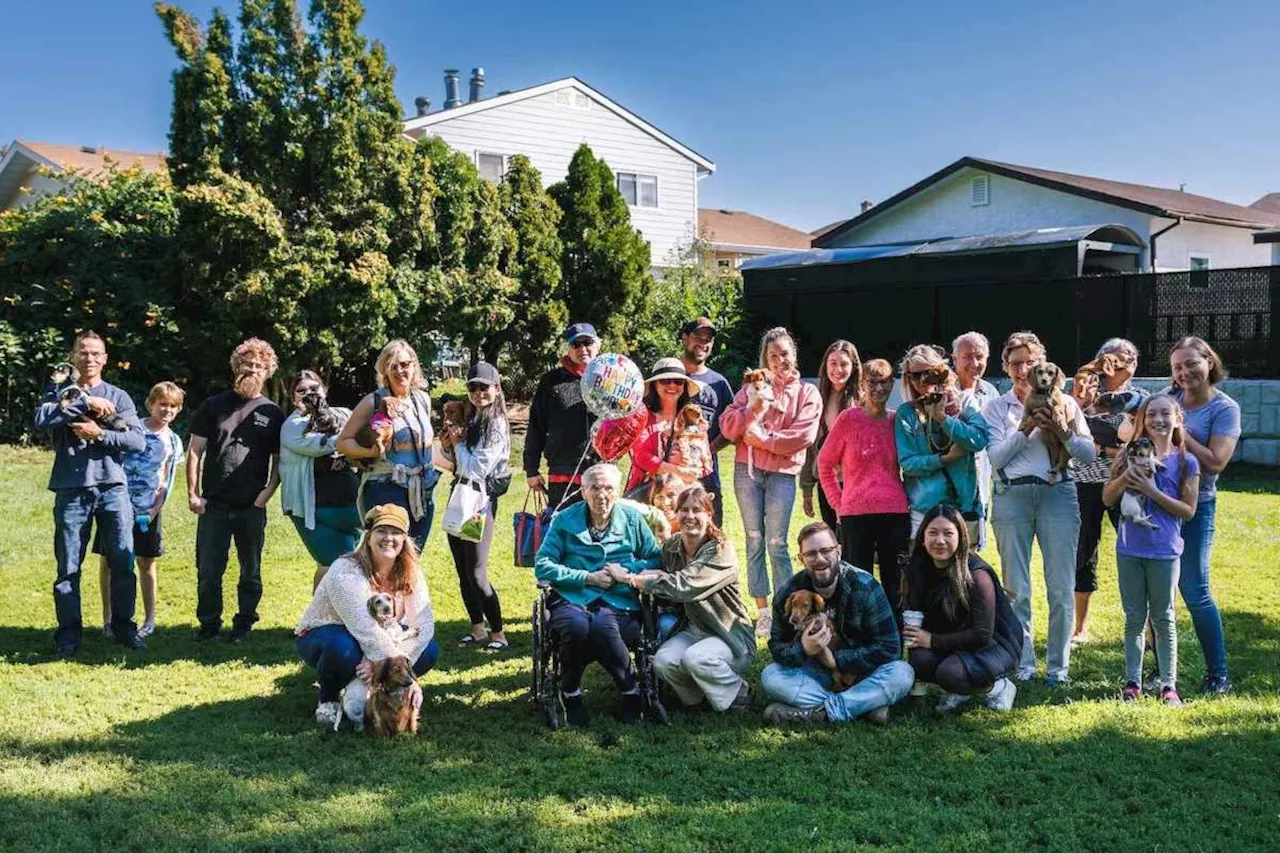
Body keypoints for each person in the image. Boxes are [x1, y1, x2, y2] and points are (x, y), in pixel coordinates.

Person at [983, 332, 1095, 686]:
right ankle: (1025, 664)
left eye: (1029, 362)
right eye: (1015, 363)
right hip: (1011, 495)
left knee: (1061, 586)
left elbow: (1088, 455)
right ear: (1006, 367)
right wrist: (1025, 427)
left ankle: (1058, 670)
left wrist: (1062, 432)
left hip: (1057, 493)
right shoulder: (997, 408)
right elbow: (997, 458)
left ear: (1044, 365)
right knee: (1017, 588)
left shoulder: (1068, 403)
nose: (1023, 369)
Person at [35, 330, 147, 655]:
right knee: (68, 566)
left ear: (105, 359)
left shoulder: (119, 396)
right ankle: (69, 635)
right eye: (83, 352)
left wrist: (99, 434)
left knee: (123, 560)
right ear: (73, 356)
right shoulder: (59, 392)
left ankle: (125, 628)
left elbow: (137, 441)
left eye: (96, 353)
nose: (90, 359)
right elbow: (42, 418)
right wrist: (84, 402)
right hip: (71, 489)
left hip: (113, 488)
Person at [534, 463, 663, 727]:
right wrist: (586, 577)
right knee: (575, 625)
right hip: (573, 597)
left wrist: (624, 572)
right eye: (594, 487)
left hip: (618, 599)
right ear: (583, 491)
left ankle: (629, 691)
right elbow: (543, 564)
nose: (601, 494)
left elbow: (654, 558)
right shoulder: (565, 520)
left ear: (617, 492)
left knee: (604, 626)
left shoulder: (632, 519)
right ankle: (571, 693)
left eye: (608, 488)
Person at [295, 503, 438, 729]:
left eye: (396, 532)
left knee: (429, 649)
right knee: (344, 648)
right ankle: (329, 699)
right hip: (329, 632)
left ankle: (386, 691)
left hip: (381, 638)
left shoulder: (412, 571)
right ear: (368, 537)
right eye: (381, 531)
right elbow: (365, 629)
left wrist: (400, 669)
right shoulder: (345, 570)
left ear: (404, 540)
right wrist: (379, 663)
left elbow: (424, 624)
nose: (388, 538)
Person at [614, 484, 755, 712]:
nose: (690, 516)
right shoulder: (672, 545)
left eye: (696, 510)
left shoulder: (721, 550)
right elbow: (654, 566)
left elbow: (683, 585)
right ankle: (697, 700)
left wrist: (631, 579)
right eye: (684, 510)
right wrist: (631, 569)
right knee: (663, 661)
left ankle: (738, 692)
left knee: (695, 658)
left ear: (709, 515)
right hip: (693, 629)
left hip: (729, 635)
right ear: (676, 514)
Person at [719, 327, 821, 638]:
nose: (779, 361)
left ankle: (785, 607)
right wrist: (753, 409)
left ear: (794, 355)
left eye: (785, 354)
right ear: (766, 359)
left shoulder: (807, 393)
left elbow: (803, 436)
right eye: (772, 356)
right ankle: (763, 612)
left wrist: (763, 439)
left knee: (777, 544)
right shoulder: (751, 388)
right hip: (747, 472)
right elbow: (727, 427)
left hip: (782, 474)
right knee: (753, 539)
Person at [760, 522, 914, 725]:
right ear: (801, 559)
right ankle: (863, 706)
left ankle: (818, 713)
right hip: (816, 674)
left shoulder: (865, 587)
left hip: (861, 673)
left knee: (902, 674)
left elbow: (890, 649)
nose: (820, 559)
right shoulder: (790, 593)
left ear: (839, 551)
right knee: (771, 676)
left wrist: (836, 660)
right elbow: (777, 647)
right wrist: (804, 648)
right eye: (811, 554)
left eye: (826, 551)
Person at [1102, 395, 1198, 707]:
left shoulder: (1186, 461)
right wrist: (1125, 480)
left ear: (1177, 419)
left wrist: (1151, 491)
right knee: (1133, 617)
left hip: (1165, 551)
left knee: (1164, 617)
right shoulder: (1129, 455)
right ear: (1142, 420)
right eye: (1151, 414)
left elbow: (1188, 511)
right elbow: (1107, 498)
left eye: (1165, 414)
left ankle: (1168, 685)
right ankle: (1133, 682)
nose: (1158, 419)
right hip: (1129, 549)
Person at [187, 337, 285, 643]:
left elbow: (279, 460)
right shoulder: (212, 406)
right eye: (246, 364)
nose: (252, 370)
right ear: (235, 367)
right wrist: (192, 493)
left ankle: (244, 623)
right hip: (213, 504)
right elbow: (194, 451)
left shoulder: (272, 413)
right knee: (208, 570)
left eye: (259, 366)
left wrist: (267, 492)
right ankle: (209, 624)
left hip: (251, 507)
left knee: (250, 570)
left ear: (268, 371)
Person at [901, 505, 1022, 714]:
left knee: (951, 674)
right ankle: (960, 689)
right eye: (933, 533)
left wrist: (933, 641)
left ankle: (998, 688)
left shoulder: (977, 575)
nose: (940, 541)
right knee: (919, 659)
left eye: (948, 533)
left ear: (961, 537)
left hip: (994, 644)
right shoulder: (918, 568)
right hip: (954, 638)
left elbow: (982, 635)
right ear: (922, 537)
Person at [1169, 336, 1239, 695]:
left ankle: (1218, 672)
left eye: (1191, 364)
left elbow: (1215, 462)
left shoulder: (1224, 409)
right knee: (1157, 593)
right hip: (1160, 506)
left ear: (1209, 362)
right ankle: (1160, 672)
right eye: (1177, 367)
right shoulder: (1167, 401)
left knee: (1195, 590)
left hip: (1198, 506)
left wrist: (1180, 433)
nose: (1184, 372)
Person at [817, 358, 909, 620]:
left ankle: (894, 639)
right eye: (873, 382)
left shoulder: (896, 420)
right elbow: (824, 465)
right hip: (856, 514)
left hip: (895, 512)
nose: (879, 388)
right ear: (862, 384)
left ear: (893, 383)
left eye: (885, 382)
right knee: (857, 582)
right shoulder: (849, 419)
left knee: (895, 582)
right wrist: (838, 503)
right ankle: (860, 633)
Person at [1069, 338, 1146, 645]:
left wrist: (1102, 446)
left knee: (1134, 548)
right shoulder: (1084, 392)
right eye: (1120, 354)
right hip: (1084, 482)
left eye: (1132, 355)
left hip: (1124, 482)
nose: (1127, 359)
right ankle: (1080, 628)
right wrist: (1112, 443)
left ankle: (1143, 625)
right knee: (1083, 551)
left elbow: (1140, 441)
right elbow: (1073, 429)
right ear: (1103, 359)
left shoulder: (1140, 398)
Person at [95, 381, 185, 639]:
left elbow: (167, 479)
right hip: (115, 505)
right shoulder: (131, 428)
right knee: (109, 562)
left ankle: (149, 620)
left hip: (148, 511)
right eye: (162, 404)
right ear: (150, 404)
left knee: (146, 562)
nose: (167, 410)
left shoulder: (173, 441)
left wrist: (157, 508)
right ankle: (109, 619)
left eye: (172, 406)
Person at [337, 339, 437, 551]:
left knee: (413, 557)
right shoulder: (372, 401)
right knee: (387, 557)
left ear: (414, 366)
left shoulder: (422, 400)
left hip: (422, 491)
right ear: (384, 371)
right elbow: (343, 443)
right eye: (393, 366)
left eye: (405, 364)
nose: (400, 371)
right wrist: (370, 451)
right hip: (386, 487)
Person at [445, 362, 511, 653]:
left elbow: (476, 469)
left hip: (478, 504)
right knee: (461, 569)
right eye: (472, 387)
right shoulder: (474, 418)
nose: (478, 392)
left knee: (476, 572)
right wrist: (451, 443)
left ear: (496, 389)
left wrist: (458, 445)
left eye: (484, 387)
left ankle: (499, 634)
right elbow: (457, 463)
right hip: (459, 497)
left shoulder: (495, 423)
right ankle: (478, 629)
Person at [895, 344, 989, 538]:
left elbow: (979, 440)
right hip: (923, 508)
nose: (922, 380)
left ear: (941, 372)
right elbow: (908, 463)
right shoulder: (906, 413)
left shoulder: (964, 402)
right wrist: (944, 459)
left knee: (963, 567)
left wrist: (943, 419)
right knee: (921, 566)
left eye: (928, 373)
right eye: (914, 375)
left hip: (962, 505)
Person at [280, 371, 361, 590]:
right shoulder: (292, 426)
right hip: (314, 509)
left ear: (324, 389)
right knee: (331, 567)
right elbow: (320, 446)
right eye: (301, 391)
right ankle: (319, 620)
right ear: (292, 397)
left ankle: (334, 617)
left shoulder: (343, 413)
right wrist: (349, 438)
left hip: (349, 502)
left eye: (314, 389)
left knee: (346, 564)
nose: (309, 394)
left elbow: (362, 431)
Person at [524, 322, 600, 510]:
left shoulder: (610, 379)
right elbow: (536, 426)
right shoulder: (551, 381)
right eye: (576, 344)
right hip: (562, 472)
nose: (582, 348)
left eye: (587, 342)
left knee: (598, 533)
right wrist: (531, 469)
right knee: (563, 532)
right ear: (569, 348)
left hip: (600, 471)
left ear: (597, 345)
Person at [678, 317, 736, 525]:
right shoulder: (670, 375)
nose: (703, 343)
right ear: (685, 338)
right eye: (697, 337)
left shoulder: (719, 383)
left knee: (711, 528)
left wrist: (709, 449)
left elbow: (732, 426)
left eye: (708, 340)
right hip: (671, 471)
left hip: (707, 475)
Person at [801, 340, 861, 530]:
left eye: (844, 364)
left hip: (856, 483)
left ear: (853, 367)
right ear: (825, 366)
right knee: (834, 539)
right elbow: (809, 447)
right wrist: (807, 489)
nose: (838, 369)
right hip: (826, 482)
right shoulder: (816, 399)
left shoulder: (863, 401)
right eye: (833, 363)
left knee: (853, 538)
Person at [624, 357, 703, 494]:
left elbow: (703, 455)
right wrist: (678, 471)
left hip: (682, 495)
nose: (672, 385)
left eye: (678, 381)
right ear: (655, 384)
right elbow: (642, 457)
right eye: (665, 380)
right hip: (647, 493)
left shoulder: (692, 417)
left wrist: (696, 468)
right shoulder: (642, 416)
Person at [952, 332, 1001, 550]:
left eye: (980, 356)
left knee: (970, 553)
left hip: (980, 487)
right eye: (967, 356)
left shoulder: (991, 393)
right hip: (948, 487)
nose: (974, 363)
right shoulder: (943, 390)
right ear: (955, 359)